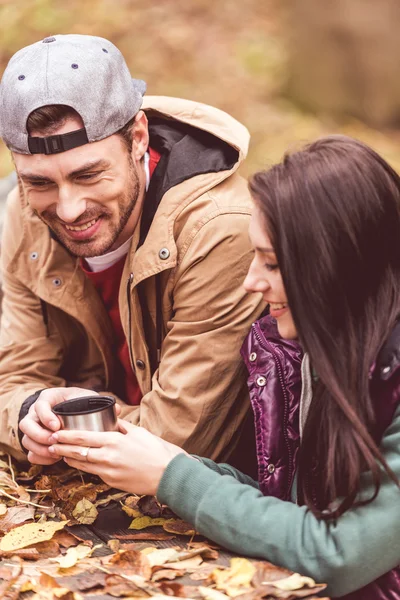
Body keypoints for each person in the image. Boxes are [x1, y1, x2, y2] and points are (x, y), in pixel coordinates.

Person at [50, 136, 400, 599]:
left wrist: (172, 475)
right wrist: (156, 456)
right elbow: (288, 505)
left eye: (272, 264)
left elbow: (334, 552)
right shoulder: (316, 352)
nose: (252, 282)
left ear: (339, 266)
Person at [0, 34, 263, 465]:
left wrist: (58, 425)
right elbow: (14, 380)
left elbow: (181, 443)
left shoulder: (220, 229)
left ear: (138, 137)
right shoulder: (25, 211)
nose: (68, 209)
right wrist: (28, 414)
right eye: (40, 182)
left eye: (88, 175)